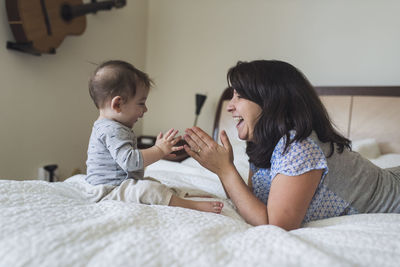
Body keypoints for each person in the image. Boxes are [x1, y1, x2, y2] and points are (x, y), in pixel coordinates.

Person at [183, 60, 400, 230]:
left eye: (239, 96)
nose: (230, 106)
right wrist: (224, 168)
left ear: (269, 101)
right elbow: (253, 202)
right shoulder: (262, 142)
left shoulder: (299, 146)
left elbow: (275, 225)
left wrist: (226, 171)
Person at [85, 60, 223, 213]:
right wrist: (158, 150)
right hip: (108, 192)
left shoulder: (111, 126)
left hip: (119, 187)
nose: (145, 109)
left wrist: (158, 152)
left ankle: (179, 197)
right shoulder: (111, 129)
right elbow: (130, 161)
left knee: (153, 183)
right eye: (141, 103)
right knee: (149, 189)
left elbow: (131, 161)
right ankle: (192, 205)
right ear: (117, 104)